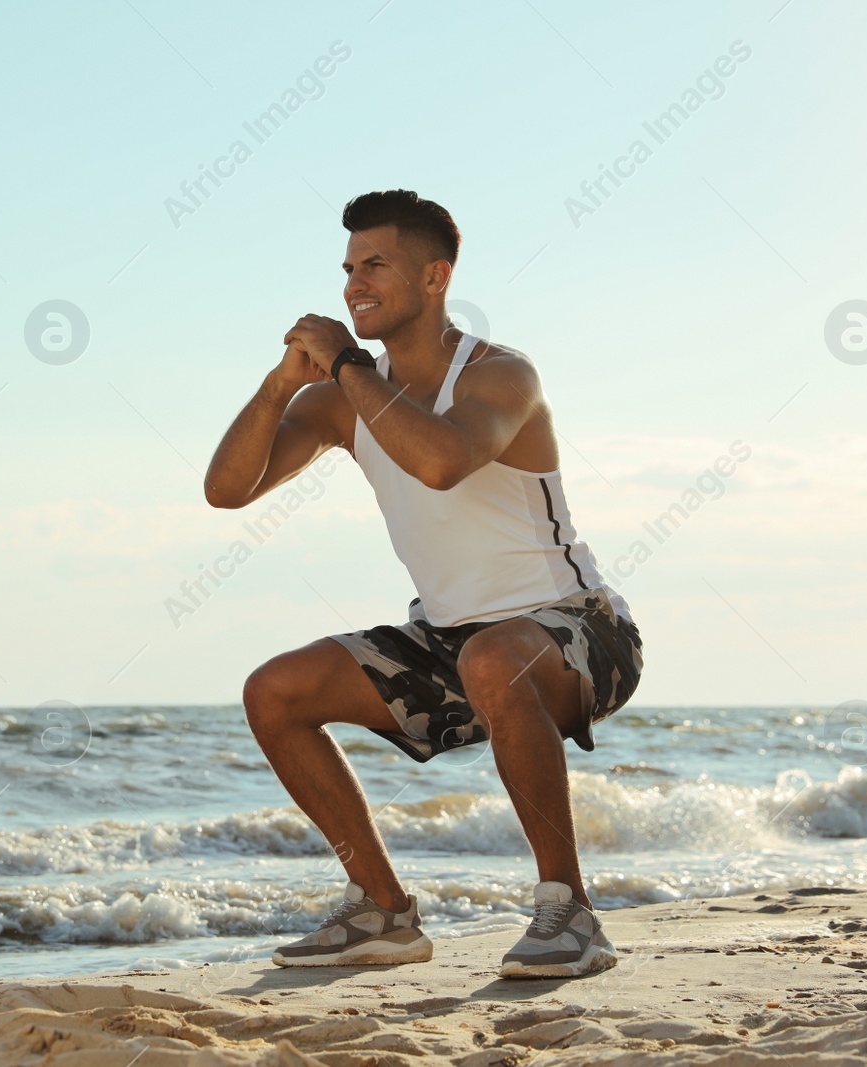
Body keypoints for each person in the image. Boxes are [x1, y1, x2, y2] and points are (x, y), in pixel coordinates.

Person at [203, 190, 642, 978]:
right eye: (347, 267)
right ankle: (382, 911)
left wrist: (345, 364)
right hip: (453, 639)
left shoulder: (502, 376)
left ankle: (569, 912)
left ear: (435, 276)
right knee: (275, 690)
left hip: (581, 629)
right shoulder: (342, 398)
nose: (353, 283)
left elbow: (440, 462)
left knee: (494, 659)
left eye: (375, 265)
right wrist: (281, 385)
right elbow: (228, 490)